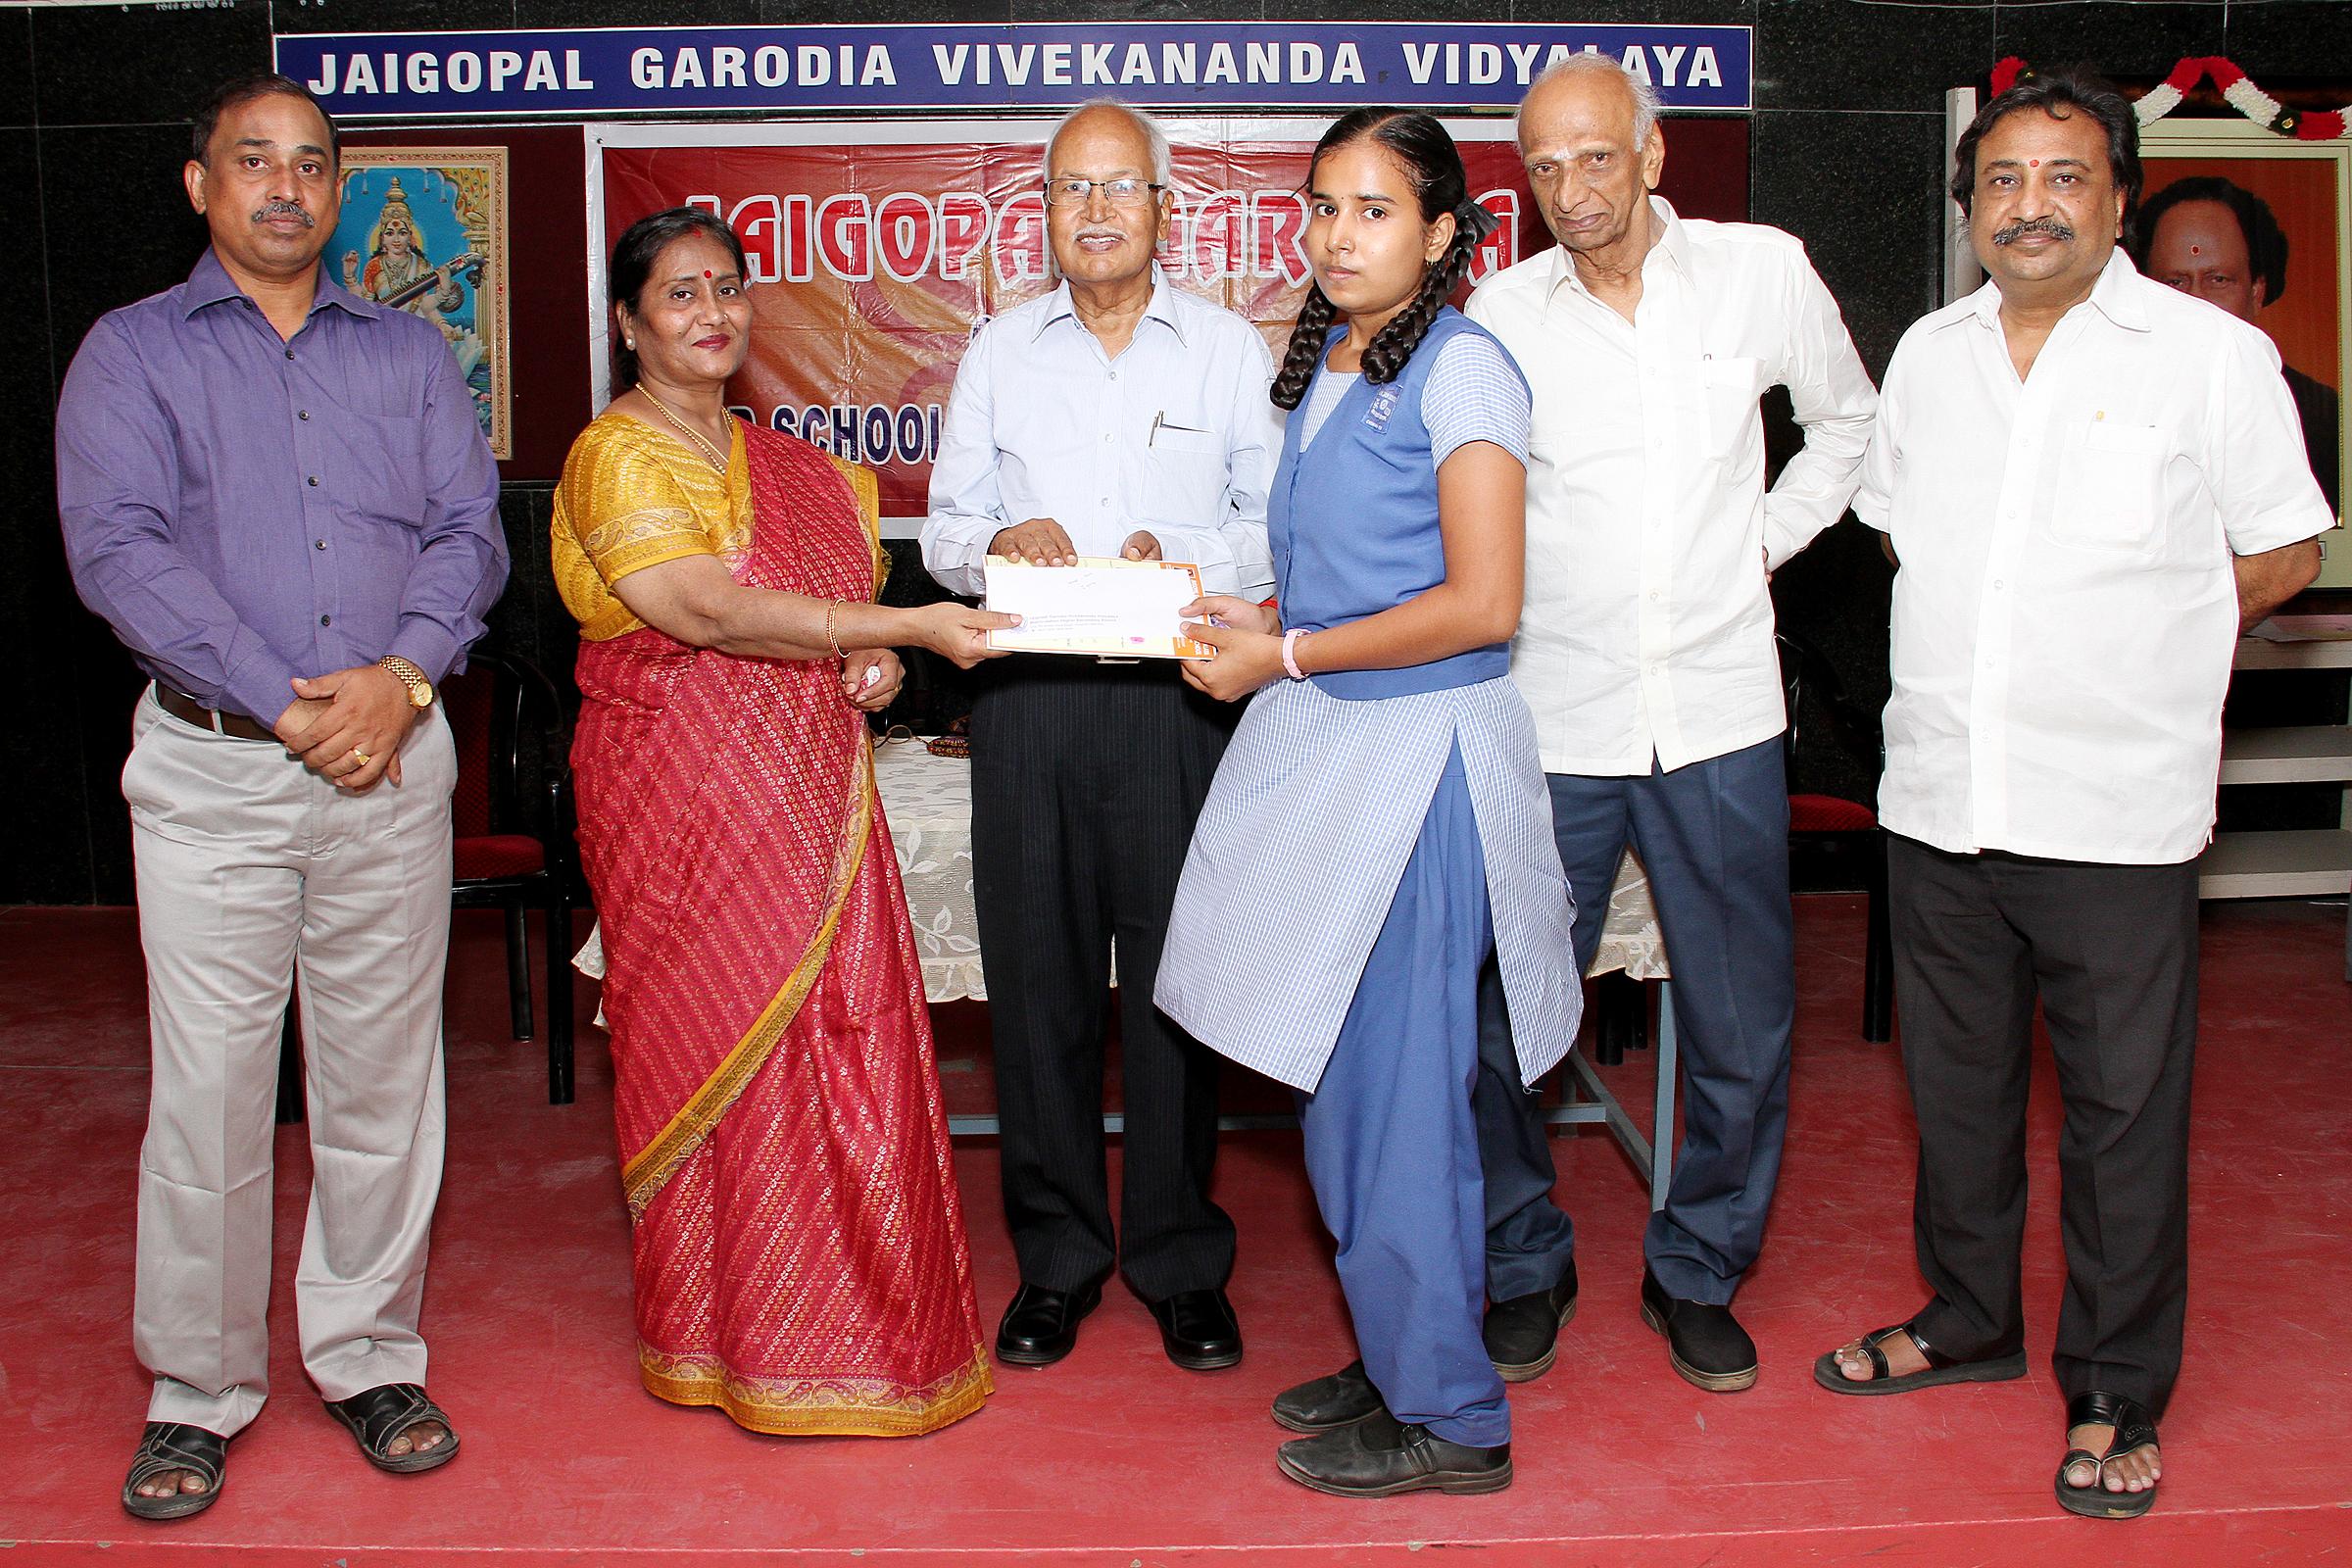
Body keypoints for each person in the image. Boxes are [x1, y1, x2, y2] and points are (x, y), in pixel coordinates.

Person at [1815, 72, 2328, 1522]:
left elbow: (2286, 548)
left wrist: (2162, 632)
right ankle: (1969, 1315)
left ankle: (2114, 1385)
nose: (2029, 205)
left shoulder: (2212, 359)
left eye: (2064, 177)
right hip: (1942, 795)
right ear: (1968, 205)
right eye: (2002, 179)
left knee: (2121, 1118)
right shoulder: (1930, 356)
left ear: (2119, 199)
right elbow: (1903, 532)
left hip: (2114, 808)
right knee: (1957, 1095)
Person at [55, 72, 508, 1520]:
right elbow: (118, 552)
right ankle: (197, 1388)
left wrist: (402, 679)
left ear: (338, 190)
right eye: (254, 161)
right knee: (211, 1095)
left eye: (311, 164)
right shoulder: (131, 355)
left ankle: (367, 1355)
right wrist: (289, 699)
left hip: (393, 759)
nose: (285, 187)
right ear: (202, 185)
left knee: (383, 1086)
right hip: (214, 772)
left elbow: (468, 533)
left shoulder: (411, 354)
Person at [1155, 107, 1582, 1498]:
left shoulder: (1467, 368)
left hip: (1417, 768)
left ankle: (1453, 1414)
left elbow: (1483, 604)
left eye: (1376, 209)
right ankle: (1407, 1349)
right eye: (1324, 207)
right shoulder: (1337, 360)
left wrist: (1284, 652)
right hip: (1341, 755)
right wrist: (1267, 617)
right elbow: (1351, 582)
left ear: (1444, 233)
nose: (1340, 236)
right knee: (1343, 1095)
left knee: (1397, 1106)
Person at [1447, 51, 1878, 1396]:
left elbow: (1849, 425)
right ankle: (1525, 1257)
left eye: (1595, 156)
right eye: (1545, 166)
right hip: (1551, 715)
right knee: (1507, 1016)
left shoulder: (1761, 271)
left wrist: (1760, 542)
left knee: (1744, 1020)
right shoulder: (1500, 316)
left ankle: (1698, 1267)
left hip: (1718, 712)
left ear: (1651, 154)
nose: (1573, 189)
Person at [554, 207, 1018, 1437]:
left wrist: (871, 667)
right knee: (716, 1050)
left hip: (811, 798)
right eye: (679, 294)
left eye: (728, 287)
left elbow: (825, 631)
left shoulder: (796, 469)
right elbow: (705, 610)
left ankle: (856, 1336)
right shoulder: (616, 455)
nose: (712, 313)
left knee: (842, 1043)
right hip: (681, 810)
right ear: (628, 322)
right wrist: (906, 628)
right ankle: (719, 1337)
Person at [920, 98, 1281, 1373]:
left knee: (1181, 988)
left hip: (1181, 699)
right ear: (1044, 212)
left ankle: (1180, 1259)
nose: (1095, 209)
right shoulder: (999, 350)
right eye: (1072, 187)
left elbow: (1269, 524)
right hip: (1030, 704)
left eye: (1119, 185)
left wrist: (1172, 552)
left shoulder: (1226, 351)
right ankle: (1058, 1260)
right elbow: (945, 528)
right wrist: (994, 542)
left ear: (1165, 207)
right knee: (1039, 989)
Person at [2132, 174, 2340, 511]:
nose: (2196, 302)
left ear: (2257, 292)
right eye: (2175, 282)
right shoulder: (2112, 398)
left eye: (2218, 280)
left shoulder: (2324, 417)